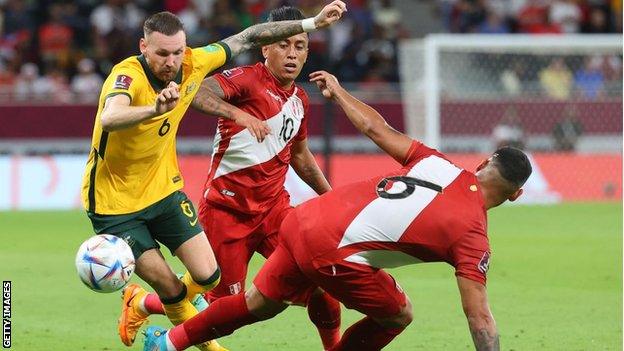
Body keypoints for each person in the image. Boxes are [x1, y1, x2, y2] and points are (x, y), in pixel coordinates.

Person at [142, 71, 533, 351]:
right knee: (399, 315)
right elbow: (478, 316)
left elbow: (377, 129)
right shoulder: (474, 238)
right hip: (332, 250)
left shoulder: (438, 164)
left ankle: (168, 342)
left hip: (302, 218)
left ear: (482, 164)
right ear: (514, 196)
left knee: (258, 304)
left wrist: (340, 92)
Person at [80, 3, 347, 350]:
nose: (171, 61)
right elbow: (110, 117)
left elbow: (249, 36)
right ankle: (152, 311)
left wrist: (314, 22)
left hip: (230, 204)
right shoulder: (129, 75)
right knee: (219, 308)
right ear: (144, 47)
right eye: (162, 53)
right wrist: (161, 110)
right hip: (178, 209)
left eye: (300, 46)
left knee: (316, 276)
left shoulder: (292, 98)